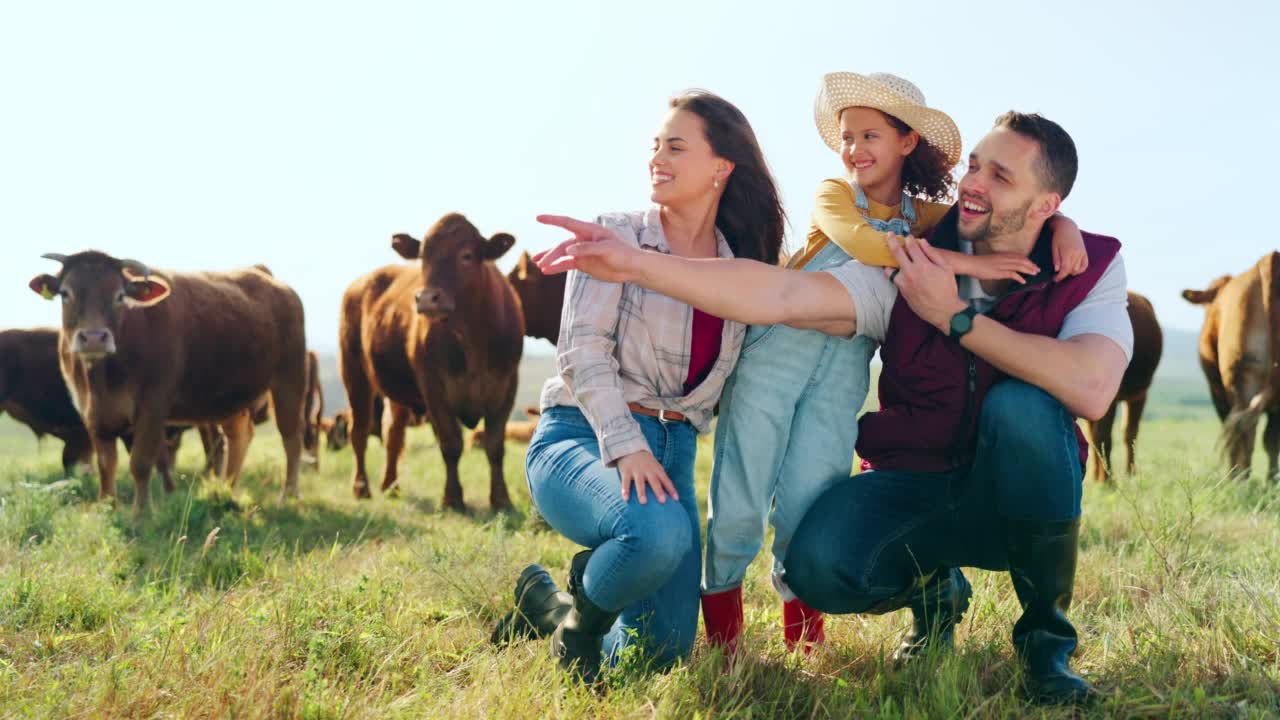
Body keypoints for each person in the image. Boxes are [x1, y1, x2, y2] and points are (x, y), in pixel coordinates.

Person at [534, 111, 1129, 705]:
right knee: (786, 575)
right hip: (918, 487)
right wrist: (639, 263)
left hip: (1015, 504)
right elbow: (780, 292)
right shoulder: (910, 266)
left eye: (1000, 175)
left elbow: (1093, 388)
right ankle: (933, 592)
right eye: (974, 165)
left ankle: (1047, 653)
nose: (973, 183)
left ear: (1046, 204)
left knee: (1022, 408)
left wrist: (957, 317)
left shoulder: (1088, 265)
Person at [700, 71, 1087, 656]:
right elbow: (862, 245)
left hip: (844, 371)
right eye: (847, 136)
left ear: (907, 143)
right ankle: (724, 649)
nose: (854, 149)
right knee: (740, 497)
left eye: (870, 135)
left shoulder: (924, 215)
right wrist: (971, 269)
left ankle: (805, 646)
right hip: (778, 350)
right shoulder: (834, 195)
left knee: (808, 499)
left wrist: (1062, 222)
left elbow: (989, 212)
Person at [490, 90, 786, 684]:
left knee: (661, 653)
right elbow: (581, 352)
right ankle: (578, 635)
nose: (658, 157)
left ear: (720, 168)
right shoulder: (617, 235)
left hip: (673, 453)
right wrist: (625, 444)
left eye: (676, 147)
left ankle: (550, 604)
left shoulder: (741, 267)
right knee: (657, 532)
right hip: (584, 436)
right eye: (655, 146)